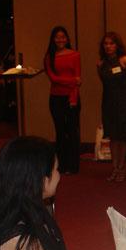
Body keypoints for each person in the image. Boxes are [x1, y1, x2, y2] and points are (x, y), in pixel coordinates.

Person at [97, 32, 126, 183]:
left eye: (111, 43)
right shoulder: (100, 64)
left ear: (117, 45)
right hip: (108, 102)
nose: (108, 46)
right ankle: (115, 167)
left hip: (123, 102)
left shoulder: (124, 61)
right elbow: (105, 83)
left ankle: (121, 168)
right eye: (106, 43)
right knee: (113, 136)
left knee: (123, 136)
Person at [44, 26, 81, 175]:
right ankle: (62, 164)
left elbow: (78, 79)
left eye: (63, 37)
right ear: (53, 39)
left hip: (72, 97)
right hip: (56, 98)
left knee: (72, 131)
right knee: (60, 131)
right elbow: (54, 79)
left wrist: (73, 98)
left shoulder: (75, 55)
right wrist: (72, 81)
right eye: (57, 37)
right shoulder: (49, 57)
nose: (60, 40)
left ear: (67, 39)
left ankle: (73, 165)